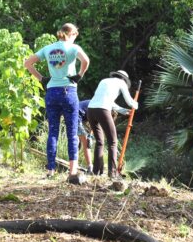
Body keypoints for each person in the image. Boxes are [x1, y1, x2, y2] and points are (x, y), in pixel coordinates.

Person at [24, 23, 90, 181]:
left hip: (52, 91)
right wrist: (79, 75)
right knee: (72, 132)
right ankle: (72, 171)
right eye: (76, 35)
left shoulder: (48, 48)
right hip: (69, 90)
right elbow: (85, 61)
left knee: (52, 132)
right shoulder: (73, 48)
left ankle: (50, 170)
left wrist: (41, 78)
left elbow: (27, 63)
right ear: (72, 34)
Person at [87, 70, 138, 178]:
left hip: (91, 110)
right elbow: (130, 102)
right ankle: (112, 173)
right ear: (124, 79)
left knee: (100, 142)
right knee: (113, 142)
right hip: (103, 110)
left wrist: (123, 111)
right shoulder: (121, 83)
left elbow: (107, 101)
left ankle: (96, 172)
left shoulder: (104, 80)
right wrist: (136, 105)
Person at [77, 99, 94, 174]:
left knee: (80, 141)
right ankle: (90, 167)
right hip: (75, 115)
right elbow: (93, 122)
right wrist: (89, 137)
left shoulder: (96, 104)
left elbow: (91, 124)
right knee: (85, 142)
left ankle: (74, 164)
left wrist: (90, 135)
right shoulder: (97, 107)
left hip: (76, 115)